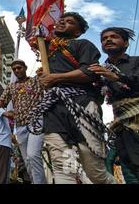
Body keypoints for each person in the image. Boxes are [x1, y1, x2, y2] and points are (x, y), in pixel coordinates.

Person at [31, 12, 117, 184]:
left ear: (78, 32)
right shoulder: (48, 51)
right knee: (62, 167)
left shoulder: (83, 45)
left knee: (95, 173)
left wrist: (55, 78)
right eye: (61, 20)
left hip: (82, 104)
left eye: (69, 22)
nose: (62, 22)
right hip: (54, 109)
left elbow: (89, 72)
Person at [88, 27, 139, 183]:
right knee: (128, 165)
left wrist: (117, 77)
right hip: (120, 124)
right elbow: (97, 97)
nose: (108, 39)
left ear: (126, 43)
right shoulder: (100, 71)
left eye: (114, 36)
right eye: (104, 38)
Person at [0, 59, 46, 184]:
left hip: (36, 122)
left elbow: (48, 81)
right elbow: (1, 103)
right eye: (14, 69)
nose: (16, 70)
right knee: (27, 161)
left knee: (32, 155)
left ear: (25, 68)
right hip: (20, 126)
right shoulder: (11, 87)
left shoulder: (36, 81)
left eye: (19, 68)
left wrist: (44, 72)